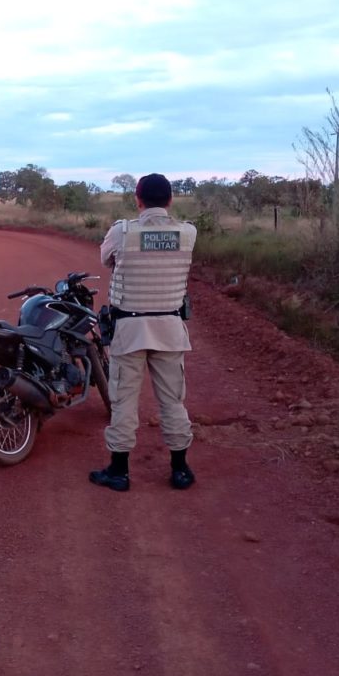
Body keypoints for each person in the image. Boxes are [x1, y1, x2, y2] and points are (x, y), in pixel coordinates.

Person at [90, 173, 197, 492]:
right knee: (173, 402)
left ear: (137, 200)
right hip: (169, 329)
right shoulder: (188, 233)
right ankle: (180, 470)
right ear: (170, 200)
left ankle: (119, 472)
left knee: (122, 400)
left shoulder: (121, 232)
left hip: (130, 330)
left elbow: (105, 258)